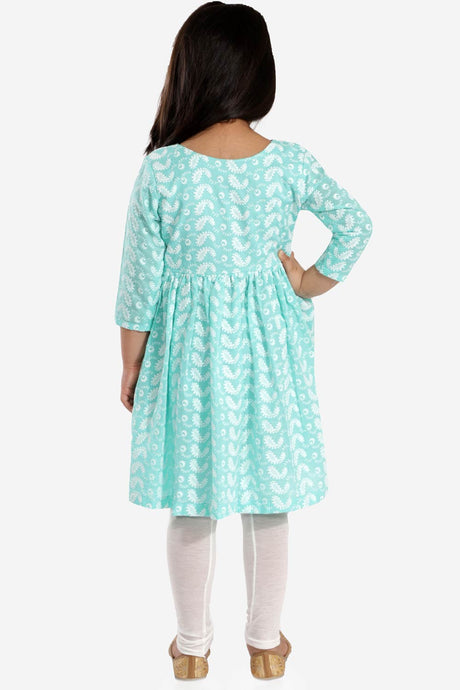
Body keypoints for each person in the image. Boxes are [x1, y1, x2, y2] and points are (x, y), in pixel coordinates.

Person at [114, 1, 373, 681]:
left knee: (191, 497)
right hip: (270, 358)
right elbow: (356, 223)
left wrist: (131, 363)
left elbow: (139, 283)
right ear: (260, 75)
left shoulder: (163, 171)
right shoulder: (287, 163)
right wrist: (309, 281)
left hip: (189, 361)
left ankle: (192, 648)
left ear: (188, 73)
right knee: (269, 495)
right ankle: (263, 644)